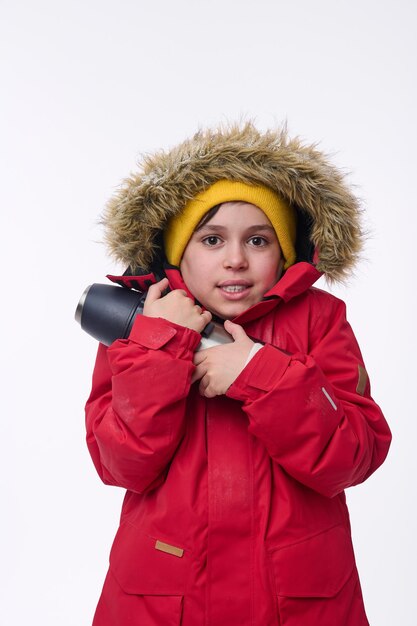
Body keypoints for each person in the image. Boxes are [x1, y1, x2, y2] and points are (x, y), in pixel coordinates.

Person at [85, 122, 391, 626]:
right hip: (166, 597)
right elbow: (121, 465)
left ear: (286, 250)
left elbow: (352, 456)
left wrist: (258, 373)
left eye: (257, 239)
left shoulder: (320, 320)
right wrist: (161, 350)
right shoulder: (144, 328)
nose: (235, 259)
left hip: (295, 598)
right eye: (211, 239)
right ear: (178, 251)